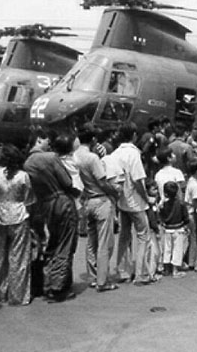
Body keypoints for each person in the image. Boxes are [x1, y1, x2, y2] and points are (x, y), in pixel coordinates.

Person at [24, 130, 79, 303]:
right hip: (62, 202)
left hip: (46, 206)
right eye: (47, 140)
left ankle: (48, 282)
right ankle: (57, 287)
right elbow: (67, 182)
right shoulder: (50, 158)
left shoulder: (27, 163)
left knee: (53, 242)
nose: (49, 143)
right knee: (65, 244)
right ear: (39, 140)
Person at [75, 125, 120, 292]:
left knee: (91, 241)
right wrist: (115, 192)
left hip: (86, 200)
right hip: (100, 200)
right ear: (93, 139)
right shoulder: (92, 158)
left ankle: (94, 276)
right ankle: (102, 281)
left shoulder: (75, 156)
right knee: (104, 242)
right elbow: (102, 181)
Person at [111, 122, 151, 286]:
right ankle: (141, 273)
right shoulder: (133, 154)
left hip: (121, 201)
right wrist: (146, 197)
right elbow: (138, 180)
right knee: (143, 235)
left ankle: (123, 271)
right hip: (136, 202)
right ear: (134, 135)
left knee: (124, 236)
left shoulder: (115, 154)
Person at [0, 144, 35, 305]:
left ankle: (1, 293)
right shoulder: (23, 176)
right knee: (19, 258)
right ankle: (18, 296)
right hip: (19, 217)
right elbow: (29, 199)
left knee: (0, 256)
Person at [159, 181, 190, 278]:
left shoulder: (164, 204)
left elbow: (161, 216)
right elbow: (185, 217)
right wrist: (186, 225)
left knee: (167, 249)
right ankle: (175, 270)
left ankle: (166, 268)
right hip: (178, 228)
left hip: (167, 229)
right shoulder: (181, 204)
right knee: (177, 249)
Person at [184, 159, 197, 269]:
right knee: (194, 238)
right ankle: (192, 261)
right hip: (192, 213)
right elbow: (195, 203)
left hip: (189, 211)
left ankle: (190, 259)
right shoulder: (195, 185)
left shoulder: (190, 181)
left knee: (192, 238)